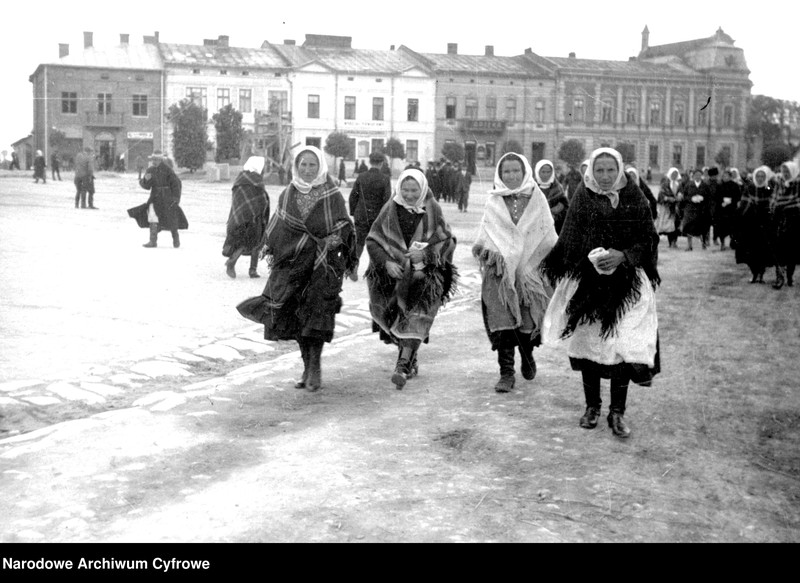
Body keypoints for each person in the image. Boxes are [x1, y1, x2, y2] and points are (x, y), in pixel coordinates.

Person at [540, 147, 661, 439]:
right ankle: (592, 406)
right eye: (599, 170)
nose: (605, 176)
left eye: (610, 170)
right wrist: (588, 257)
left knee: (622, 345)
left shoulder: (634, 197)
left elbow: (648, 239)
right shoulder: (582, 196)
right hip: (590, 282)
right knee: (591, 344)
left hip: (628, 285)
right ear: (591, 171)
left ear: (619, 169)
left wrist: (623, 255)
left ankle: (616, 412)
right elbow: (569, 237)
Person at [236, 146, 357, 392]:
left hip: (321, 267)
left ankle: (315, 367)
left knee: (316, 318)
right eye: (303, 164)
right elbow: (279, 224)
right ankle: (306, 365)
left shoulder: (331, 194)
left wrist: (334, 240)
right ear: (296, 166)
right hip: (292, 267)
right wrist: (275, 247)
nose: (308, 169)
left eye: (313, 165)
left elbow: (344, 225)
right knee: (296, 319)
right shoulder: (288, 193)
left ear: (320, 166)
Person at [472, 153, 558, 393]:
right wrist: (492, 255)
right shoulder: (494, 201)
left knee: (527, 318)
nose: (511, 176)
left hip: (529, 271)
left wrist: (540, 260)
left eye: (515, 171)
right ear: (500, 174)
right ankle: (506, 372)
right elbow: (487, 233)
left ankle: (527, 356)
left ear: (524, 172)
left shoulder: (537, 198)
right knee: (503, 320)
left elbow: (546, 233)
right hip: (500, 273)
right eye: (506, 172)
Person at [365, 168, 458, 389]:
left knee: (417, 316)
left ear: (422, 188)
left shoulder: (433, 209)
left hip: (423, 276)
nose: (408, 195)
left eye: (414, 190)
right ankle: (409, 356)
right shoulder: (389, 209)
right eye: (405, 190)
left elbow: (447, 241)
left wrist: (425, 255)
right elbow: (373, 240)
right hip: (392, 276)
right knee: (395, 318)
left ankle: (403, 365)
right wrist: (386, 262)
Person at [222, 156, 271, 279]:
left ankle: (234, 261)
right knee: (256, 243)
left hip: (238, 216)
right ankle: (251, 270)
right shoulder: (256, 180)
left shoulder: (239, 179)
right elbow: (261, 199)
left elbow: (237, 200)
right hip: (254, 217)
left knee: (242, 241)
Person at [128, 150, 187, 248]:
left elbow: (176, 185)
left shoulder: (168, 170)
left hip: (167, 198)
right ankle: (153, 241)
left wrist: (176, 199)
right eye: (153, 159)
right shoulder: (150, 170)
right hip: (155, 198)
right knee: (152, 218)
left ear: (160, 160)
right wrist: (145, 180)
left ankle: (176, 239)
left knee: (171, 219)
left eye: (155, 159)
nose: (153, 161)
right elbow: (146, 186)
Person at [349, 151, 393, 278]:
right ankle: (371, 270)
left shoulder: (361, 176)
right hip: (377, 217)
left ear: (370, 162)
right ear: (382, 163)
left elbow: (353, 196)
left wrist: (354, 212)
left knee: (359, 242)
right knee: (376, 243)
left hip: (361, 214)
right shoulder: (385, 179)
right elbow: (387, 200)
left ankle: (354, 267)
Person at [734, 165, 774, 284]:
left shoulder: (768, 188)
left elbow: (772, 204)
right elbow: (744, 204)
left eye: (762, 176)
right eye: (758, 176)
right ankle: (754, 273)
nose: (760, 178)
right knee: (750, 250)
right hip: (751, 223)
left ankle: (761, 274)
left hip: (764, 223)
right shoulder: (750, 187)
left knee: (762, 250)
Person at [770, 161, 800, 289]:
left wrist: (786, 205)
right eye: (784, 171)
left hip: (794, 220)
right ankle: (779, 277)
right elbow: (775, 199)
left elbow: (797, 202)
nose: (786, 174)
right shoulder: (779, 183)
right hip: (780, 219)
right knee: (779, 249)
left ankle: (790, 277)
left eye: (788, 171)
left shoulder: (798, 184)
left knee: (792, 250)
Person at [679, 168, 712, 251]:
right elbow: (684, 196)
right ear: (693, 176)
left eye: (699, 175)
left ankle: (703, 243)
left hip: (701, 209)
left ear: (702, 176)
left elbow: (709, 197)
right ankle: (689, 245)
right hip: (690, 209)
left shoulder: (705, 186)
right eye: (696, 175)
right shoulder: (688, 185)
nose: (698, 177)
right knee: (689, 226)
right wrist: (691, 199)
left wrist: (702, 199)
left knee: (702, 226)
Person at [534, 159, 569, 233]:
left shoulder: (558, 188)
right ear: (538, 172)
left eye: (548, 172)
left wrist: (553, 213)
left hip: (554, 227)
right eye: (543, 172)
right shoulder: (531, 188)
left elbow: (564, 206)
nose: (546, 174)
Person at [713, 169, 741, 251]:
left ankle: (733, 243)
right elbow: (716, 196)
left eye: (726, 176)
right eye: (723, 176)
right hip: (721, 209)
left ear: (730, 177)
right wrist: (722, 202)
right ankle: (722, 244)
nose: (724, 177)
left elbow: (738, 196)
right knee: (721, 228)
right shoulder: (719, 185)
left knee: (732, 227)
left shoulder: (735, 185)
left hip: (731, 209)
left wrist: (731, 201)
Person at [656, 167, 682, 247]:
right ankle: (671, 242)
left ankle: (674, 241)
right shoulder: (665, 184)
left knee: (676, 224)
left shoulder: (679, 184)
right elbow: (661, 195)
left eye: (676, 174)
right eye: (673, 174)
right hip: (668, 208)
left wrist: (680, 196)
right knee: (669, 226)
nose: (674, 175)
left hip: (677, 208)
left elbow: (681, 192)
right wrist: (667, 198)